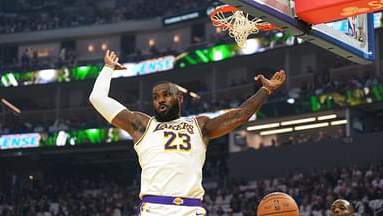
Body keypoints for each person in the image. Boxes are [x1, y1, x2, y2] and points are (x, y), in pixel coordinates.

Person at [89, 50, 286, 215]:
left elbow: (240, 116)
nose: (161, 100)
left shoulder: (200, 125)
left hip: (192, 209)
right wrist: (108, 68)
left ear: (180, 98)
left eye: (166, 95)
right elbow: (97, 98)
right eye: (156, 97)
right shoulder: (141, 124)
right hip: (155, 209)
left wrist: (265, 90)